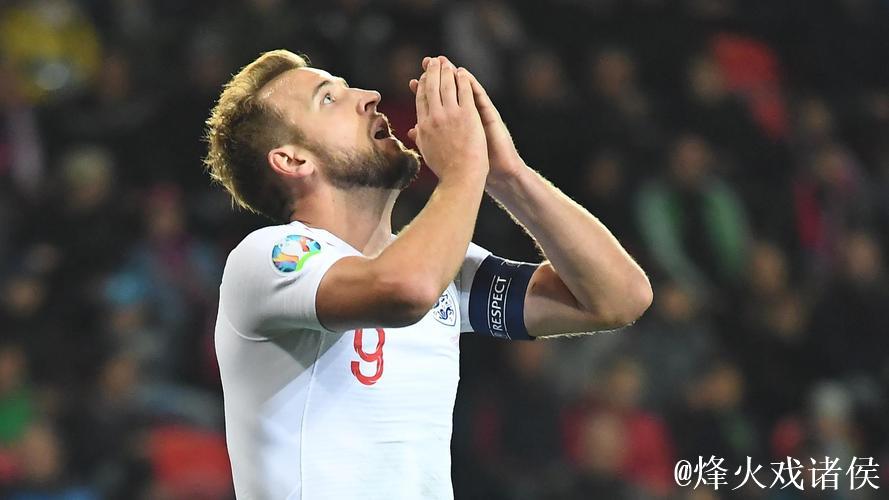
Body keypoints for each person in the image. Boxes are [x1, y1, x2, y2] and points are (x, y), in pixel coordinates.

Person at [204, 49, 652, 499]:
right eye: (328, 99)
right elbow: (407, 288)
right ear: (293, 161)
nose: (368, 96)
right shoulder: (266, 259)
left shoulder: (442, 268)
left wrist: (508, 176)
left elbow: (620, 297)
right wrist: (463, 169)